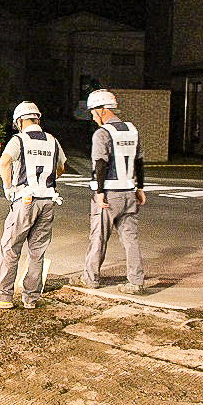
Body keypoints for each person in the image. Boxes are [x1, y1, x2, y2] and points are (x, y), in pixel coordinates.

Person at [0, 101, 65, 310]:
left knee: (10, 247)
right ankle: (31, 298)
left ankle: (3, 296)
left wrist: (8, 187)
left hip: (25, 199)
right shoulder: (52, 140)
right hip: (48, 201)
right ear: (38, 119)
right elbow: (61, 166)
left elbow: (4, 161)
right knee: (37, 251)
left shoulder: (19, 140)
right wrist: (46, 181)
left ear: (20, 121)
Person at [71, 89, 147, 294]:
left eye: (94, 112)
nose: (93, 117)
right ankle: (136, 282)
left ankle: (90, 278)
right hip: (129, 192)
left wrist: (100, 191)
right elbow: (139, 161)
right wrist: (140, 187)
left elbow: (100, 164)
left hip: (109, 194)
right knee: (130, 238)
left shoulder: (102, 133)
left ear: (103, 110)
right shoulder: (132, 130)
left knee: (99, 236)